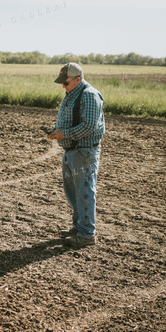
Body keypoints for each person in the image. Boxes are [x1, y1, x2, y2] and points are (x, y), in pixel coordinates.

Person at [47, 62, 105, 247]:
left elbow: (89, 126)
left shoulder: (88, 95)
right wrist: (57, 130)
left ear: (78, 79)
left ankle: (87, 234)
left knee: (84, 193)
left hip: (84, 151)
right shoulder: (72, 93)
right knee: (73, 192)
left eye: (66, 82)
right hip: (72, 150)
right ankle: (79, 227)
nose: (63, 86)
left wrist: (64, 134)